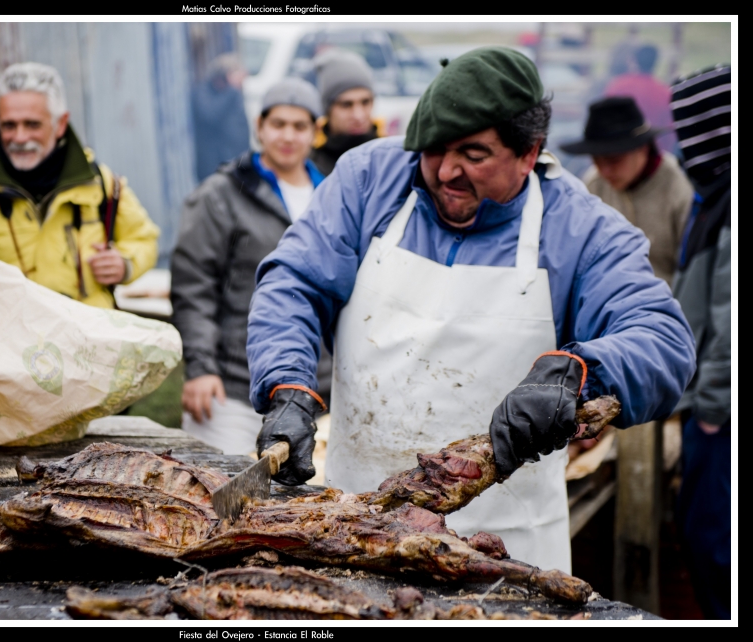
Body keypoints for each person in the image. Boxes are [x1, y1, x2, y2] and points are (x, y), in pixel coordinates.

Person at [246, 47, 695, 572]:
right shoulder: (369, 179)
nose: (447, 172)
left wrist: (580, 375)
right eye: (433, 149)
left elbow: (663, 339)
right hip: (356, 531)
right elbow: (295, 283)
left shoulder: (581, 229)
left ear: (530, 153)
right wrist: (286, 383)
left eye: (474, 155)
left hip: (510, 551)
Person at [171, 78, 328, 455]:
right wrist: (200, 367)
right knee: (223, 498)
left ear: (316, 132)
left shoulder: (334, 195)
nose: (287, 136)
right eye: (278, 124)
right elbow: (194, 286)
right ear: (259, 126)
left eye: (299, 126)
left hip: (318, 390)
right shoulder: (223, 194)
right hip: (235, 386)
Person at [0, 62, 159, 309]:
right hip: (7, 344)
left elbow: (145, 240)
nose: (20, 138)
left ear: (61, 124)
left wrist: (124, 263)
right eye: (9, 125)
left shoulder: (102, 183)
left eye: (32, 125)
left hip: (89, 343)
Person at [669, 65, 731, 620]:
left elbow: (731, 322)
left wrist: (711, 408)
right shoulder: (713, 197)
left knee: (715, 541)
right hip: (709, 408)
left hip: (721, 417)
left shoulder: (728, 207)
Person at [560, 96, 693, 285]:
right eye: (596, 160)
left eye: (614, 161)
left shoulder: (678, 190)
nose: (604, 171)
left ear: (642, 149)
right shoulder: (593, 185)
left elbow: (689, 275)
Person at [309, 49, 380, 176]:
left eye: (365, 102)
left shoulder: (389, 156)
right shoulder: (310, 166)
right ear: (327, 110)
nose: (358, 115)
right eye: (346, 105)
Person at [604, 44, 677, 154]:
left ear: (633, 60)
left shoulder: (618, 86)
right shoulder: (665, 92)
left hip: (621, 154)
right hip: (654, 154)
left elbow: (605, 121)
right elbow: (669, 131)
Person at [192, 53, 250, 181]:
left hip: (235, 162)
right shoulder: (204, 91)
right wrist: (232, 89)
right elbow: (210, 115)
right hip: (213, 166)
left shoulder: (233, 94)